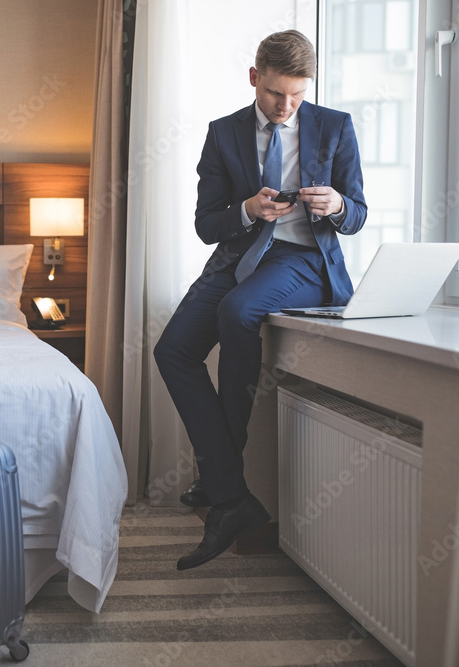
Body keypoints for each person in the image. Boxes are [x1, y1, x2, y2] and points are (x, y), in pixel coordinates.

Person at [154, 30, 367, 571]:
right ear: (255, 78)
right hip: (238, 259)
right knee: (172, 350)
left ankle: (221, 487)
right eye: (276, 94)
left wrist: (337, 203)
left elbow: (358, 215)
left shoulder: (335, 126)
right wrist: (248, 210)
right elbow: (207, 225)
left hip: (304, 262)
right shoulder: (222, 134)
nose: (286, 106)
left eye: (297, 95)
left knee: (237, 311)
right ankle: (230, 491)